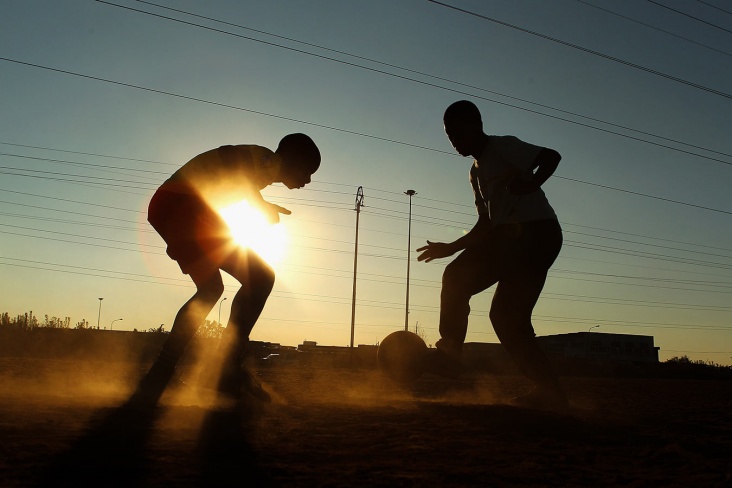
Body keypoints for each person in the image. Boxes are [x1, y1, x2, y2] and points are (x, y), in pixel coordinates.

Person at [129, 133, 321, 409]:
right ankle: (226, 369)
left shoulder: (262, 169)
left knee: (211, 291)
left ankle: (162, 375)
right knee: (261, 277)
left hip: (174, 205)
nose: (308, 180)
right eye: (308, 171)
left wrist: (259, 202)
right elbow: (231, 158)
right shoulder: (267, 159)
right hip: (183, 204)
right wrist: (258, 203)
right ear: (294, 160)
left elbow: (232, 174)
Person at [417, 100, 566, 409]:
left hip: (535, 234)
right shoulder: (475, 173)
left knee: (459, 278)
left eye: (457, 131)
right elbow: (486, 224)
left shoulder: (503, 147)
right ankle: (549, 389)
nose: (454, 139)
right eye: (448, 134)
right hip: (511, 239)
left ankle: (449, 356)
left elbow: (551, 157)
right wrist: (450, 247)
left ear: (476, 125)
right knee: (506, 317)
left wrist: (532, 182)